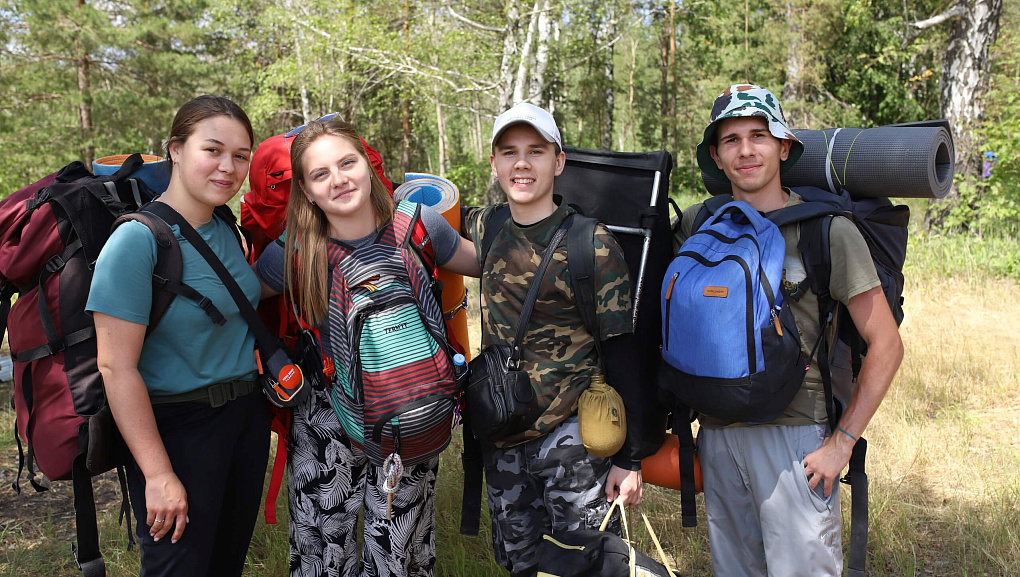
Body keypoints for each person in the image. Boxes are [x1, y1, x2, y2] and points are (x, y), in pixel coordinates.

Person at [677, 84, 904, 576]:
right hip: (716, 434)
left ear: (783, 145)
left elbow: (887, 344)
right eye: (731, 140)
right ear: (716, 155)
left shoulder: (825, 231)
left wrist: (841, 442)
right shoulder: (698, 225)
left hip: (797, 440)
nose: (746, 150)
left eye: (758, 135)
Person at [254, 117, 479, 577]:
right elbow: (242, 299)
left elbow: (487, 263)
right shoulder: (294, 251)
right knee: (324, 549)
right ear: (307, 191)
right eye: (320, 174)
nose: (338, 179)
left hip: (411, 409)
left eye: (347, 162)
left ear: (368, 166)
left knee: (399, 550)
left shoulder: (419, 225)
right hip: (327, 419)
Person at [89, 95, 269, 576]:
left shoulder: (226, 228)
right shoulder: (137, 240)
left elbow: (239, 299)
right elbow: (115, 365)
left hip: (245, 420)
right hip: (177, 430)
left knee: (225, 565)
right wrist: (158, 473)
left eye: (240, 155)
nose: (228, 167)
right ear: (175, 149)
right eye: (212, 150)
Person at [461, 102, 642, 576]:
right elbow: (430, 227)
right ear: (496, 164)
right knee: (522, 565)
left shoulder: (591, 244)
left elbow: (624, 351)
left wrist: (629, 459)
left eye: (536, 152)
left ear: (558, 162)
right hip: (502, 437)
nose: (522, 163)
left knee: (587, 565)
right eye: (509, 152)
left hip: (573, 445)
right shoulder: (489, 226)